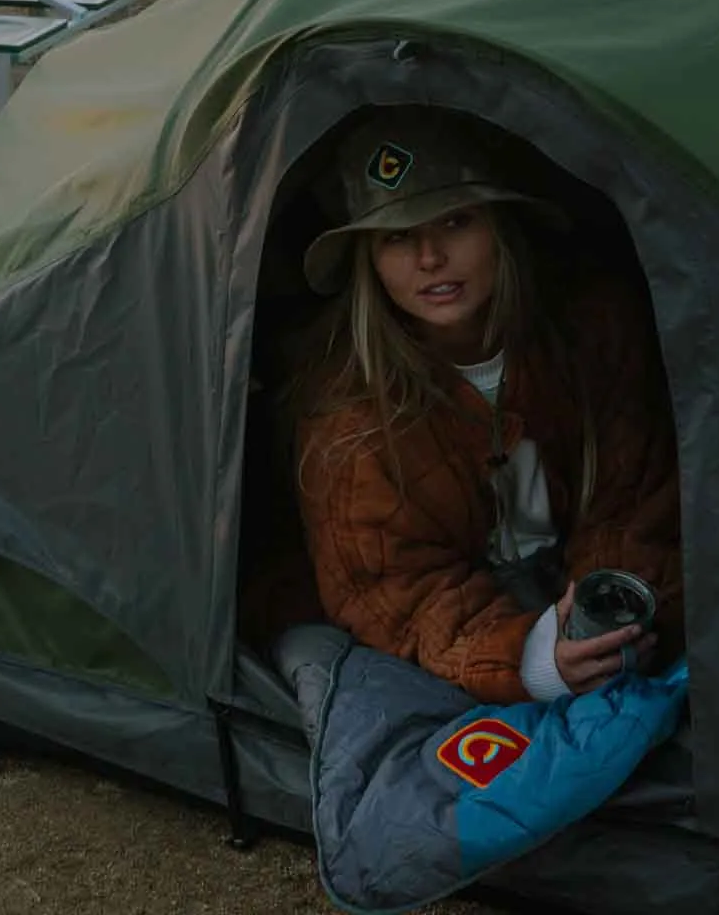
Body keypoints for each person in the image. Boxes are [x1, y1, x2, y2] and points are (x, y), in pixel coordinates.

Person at [291, 109, 683, 705]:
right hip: (473, 623)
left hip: (583, 585)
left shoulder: (592, 330)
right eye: (397, 236)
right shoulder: (348, 415)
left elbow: (633, 499)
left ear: (499, 227)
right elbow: (393, 589)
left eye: (455, 221)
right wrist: (527, 655)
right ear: (368, 261)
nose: (430, 257)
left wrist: (599, 616)